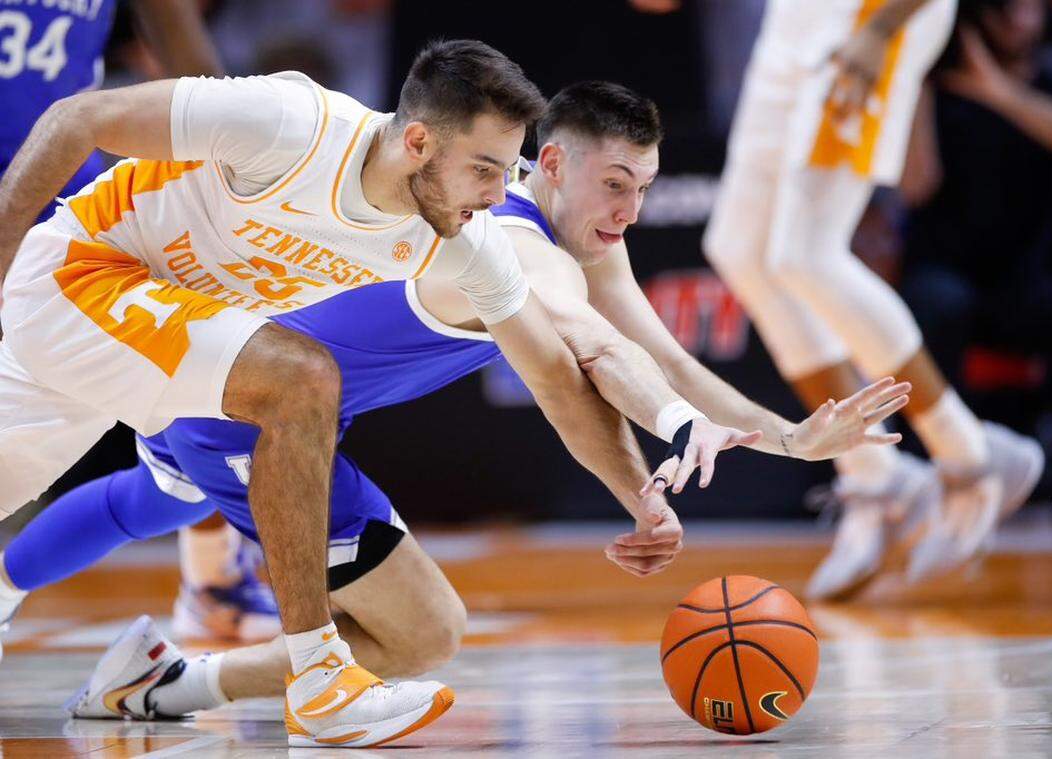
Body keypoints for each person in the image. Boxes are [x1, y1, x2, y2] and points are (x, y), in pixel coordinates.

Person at [1, 81, 910, 741]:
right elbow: (596, 357)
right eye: (616, 185)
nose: (631, 210)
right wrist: (673, 425)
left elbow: (659, 357)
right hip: (254, 401)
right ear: (550, 163)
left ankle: (97, 644)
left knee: (147, 497)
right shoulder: (506, 239)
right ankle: (184, 685)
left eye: (645, 187)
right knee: (423, 630)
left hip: (242, 387)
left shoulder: (581, 244)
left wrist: (789, 440)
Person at [701, 0, 1044, 598]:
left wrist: (883, 29)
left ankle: (971, 454)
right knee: (740, 249)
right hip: (794, 21)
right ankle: (875, 474)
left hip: (869, 18)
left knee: (805, 253)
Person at [0, 0, 276, 642]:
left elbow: (196, 70)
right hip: (39, 193)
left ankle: (213, 581)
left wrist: (248, 167)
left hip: (62, 191)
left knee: (209, 386)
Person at [900, 0, 1052, 518]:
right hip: (944, 274)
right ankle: (927, 483)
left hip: (1019, 282)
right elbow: (916, 185)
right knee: (934, 309)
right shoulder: (933, 92)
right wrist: (916, 79)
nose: (1019, 19)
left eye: (1029, 8)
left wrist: (994, 90)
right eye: (1006, 9)